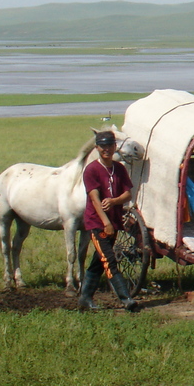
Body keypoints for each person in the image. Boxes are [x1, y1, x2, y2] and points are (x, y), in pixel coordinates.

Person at [78, 129, 139, 312]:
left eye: (109, 145)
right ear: (97, 148)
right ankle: (126, 299)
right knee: (109, 260)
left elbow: (128, 194)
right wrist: (106, 223)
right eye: (102, 146)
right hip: (98, 223)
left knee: (99, 261)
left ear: (115, 147)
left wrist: (114, 201)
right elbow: (95, 200)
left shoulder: (119, 169)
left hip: (114, 221)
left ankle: (85, 298)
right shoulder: (92, 170)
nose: (106, 149)